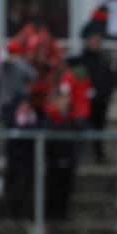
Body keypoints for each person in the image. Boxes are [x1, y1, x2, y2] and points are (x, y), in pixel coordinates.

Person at [43, 91, 80, 220]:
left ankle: (62, 212)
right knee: (53, 188)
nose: (64, 103)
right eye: (62, 100)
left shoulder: (71, 118)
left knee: (66, 189)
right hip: (53, 160)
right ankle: (51, 213)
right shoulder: (49, 118)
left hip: (68, 160)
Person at [79, 28, 114, 162]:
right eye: (93, 40)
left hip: (101, 100)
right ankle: (82, 155)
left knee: (100, 128)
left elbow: (110, 79)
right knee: (83, 127)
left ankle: (99, 156)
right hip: (84, 101)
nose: (95, 43)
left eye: (97, 40)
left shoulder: (104, 59)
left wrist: (106, 95)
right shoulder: (82, 59)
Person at [5, 96, 37, 219]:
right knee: (15, 186)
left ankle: (25, 213)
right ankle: (12, 213)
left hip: (29, 160)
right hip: (15, 160)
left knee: (28, 187)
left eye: (27, 104)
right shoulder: (11, 117)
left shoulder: (34, 118)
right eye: (22, 104)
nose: (25, 107)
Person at [0, 39, 36, 123]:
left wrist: (18, 61)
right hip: (6, 101)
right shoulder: (3, 63)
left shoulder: (20, 62)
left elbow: (33, 76)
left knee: (20, 126)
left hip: (20, 101)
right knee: (7, 124)